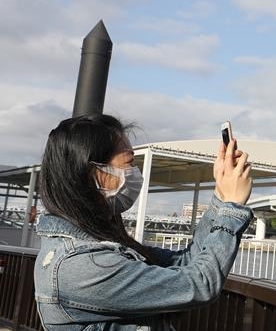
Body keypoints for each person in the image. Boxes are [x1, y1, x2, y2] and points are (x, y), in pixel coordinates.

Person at [33, 114, 253, 330]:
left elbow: (186, 263)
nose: (134, 173)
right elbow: (200, 284)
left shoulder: (99, 246)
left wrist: (221, 196)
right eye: (129, 163)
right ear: (95, 173)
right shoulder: (80, 266)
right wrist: (232, 208)